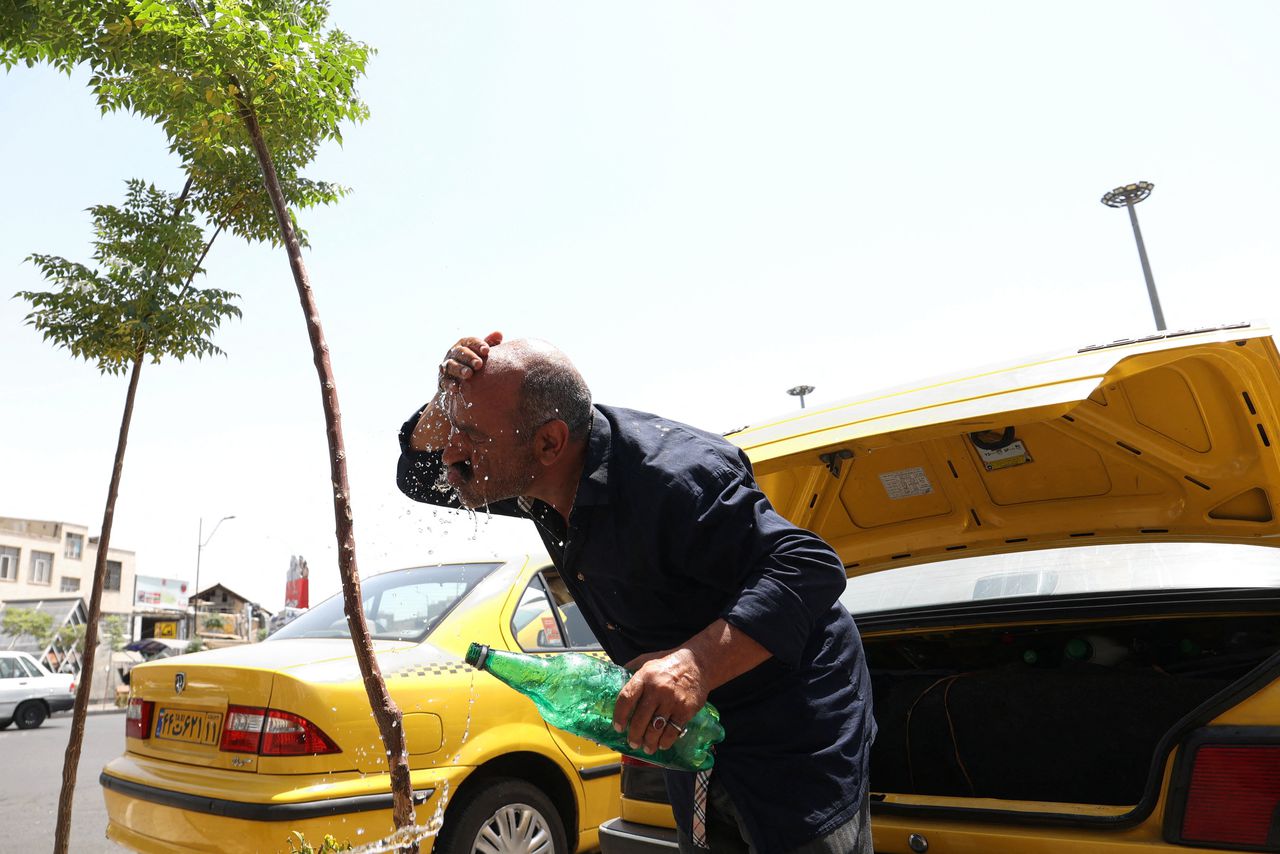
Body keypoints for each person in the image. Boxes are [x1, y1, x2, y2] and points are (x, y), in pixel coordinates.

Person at [397, 332, 876, 853]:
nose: (453, 450)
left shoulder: (674, 477)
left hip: (794, 722)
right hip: (689, 723)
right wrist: (445, 401)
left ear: (549, 442)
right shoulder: (536, 473)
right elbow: (421, 474)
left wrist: (694, 665)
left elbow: (809, 565)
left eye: (470, 433)